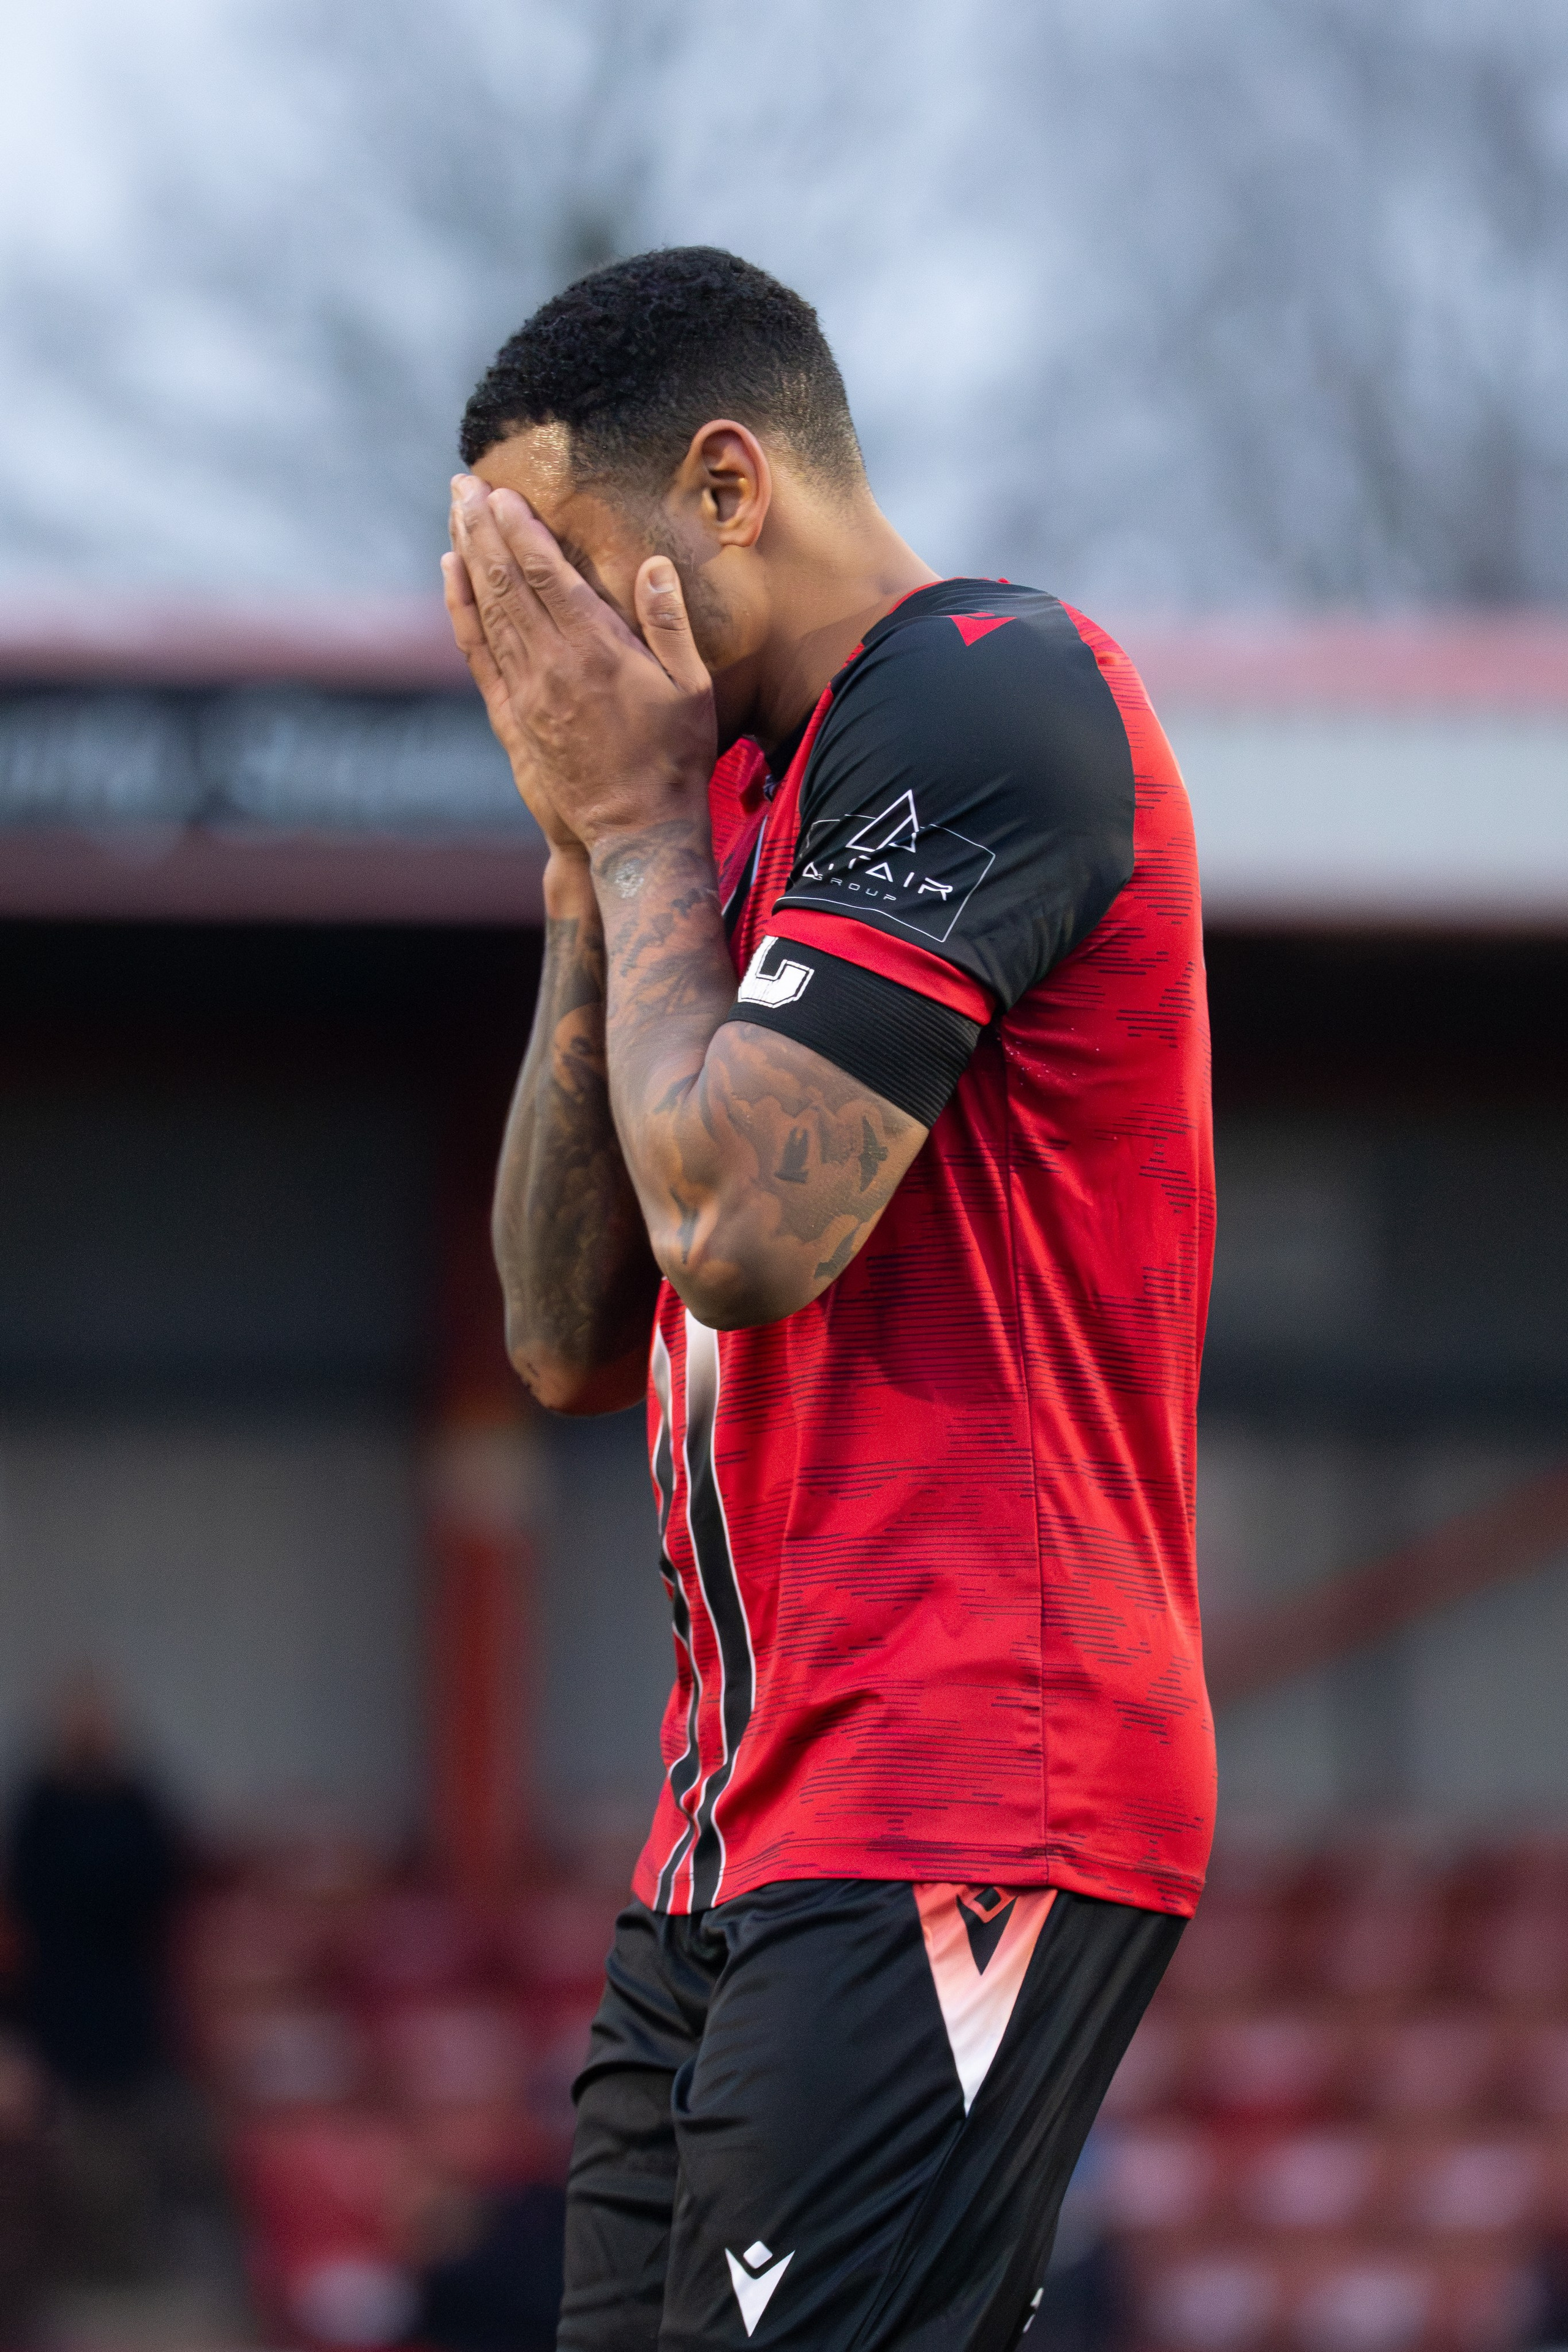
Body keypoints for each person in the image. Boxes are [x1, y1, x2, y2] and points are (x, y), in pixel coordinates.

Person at [445, 247, 1215, 2352]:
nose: (551, 660)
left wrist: (628, 830)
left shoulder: (985, 689)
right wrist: (584, 873)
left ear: (725, 489)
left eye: (566, 580)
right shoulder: (703, 815)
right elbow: (568, 1327)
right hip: (741, 1821)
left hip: (975, 1776)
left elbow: (741, 1234)